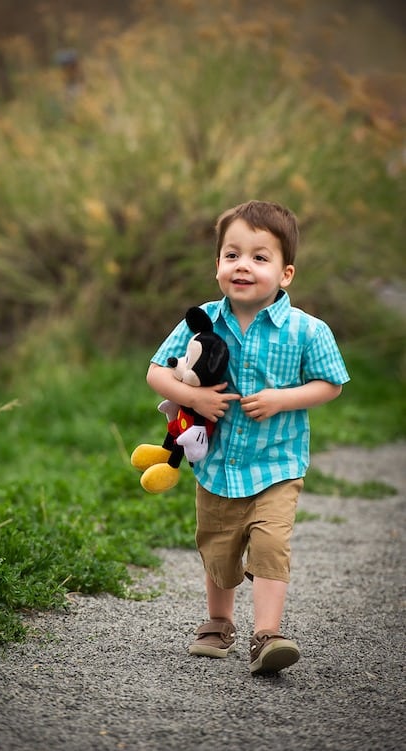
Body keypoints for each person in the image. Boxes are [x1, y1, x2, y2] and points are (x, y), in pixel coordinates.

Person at [146, 199, 350, 675]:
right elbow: (157, 372)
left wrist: (282, 399)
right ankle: (219, 622)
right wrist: (192, 400)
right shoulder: (201, 322)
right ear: (217, 264)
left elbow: (331, 383)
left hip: (276, 463)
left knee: (269, 544)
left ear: (286, 274)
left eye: (260, 257)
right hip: (216, 463)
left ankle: (266, 635)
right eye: (232, 254)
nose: (243, 266)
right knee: (217, 546)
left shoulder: (307, 330)